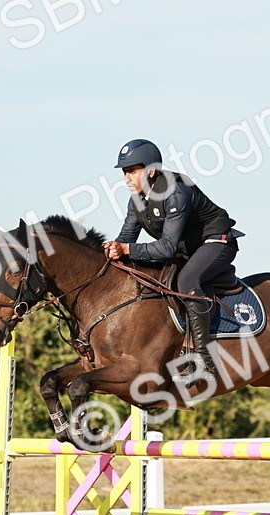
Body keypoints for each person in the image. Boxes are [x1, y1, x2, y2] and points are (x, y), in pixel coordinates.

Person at [103, 138, 242, 377]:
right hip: (187, 249)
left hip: (216, 241)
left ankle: (203, 358)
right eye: (125, 172)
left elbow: (166, 248)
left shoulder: (175, 191)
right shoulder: (137, 199)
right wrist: (114, 250)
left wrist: (126, 249)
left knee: (186, 280)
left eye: (133, 171)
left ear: (152, 170)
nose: (127, 178)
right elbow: (128, 236)